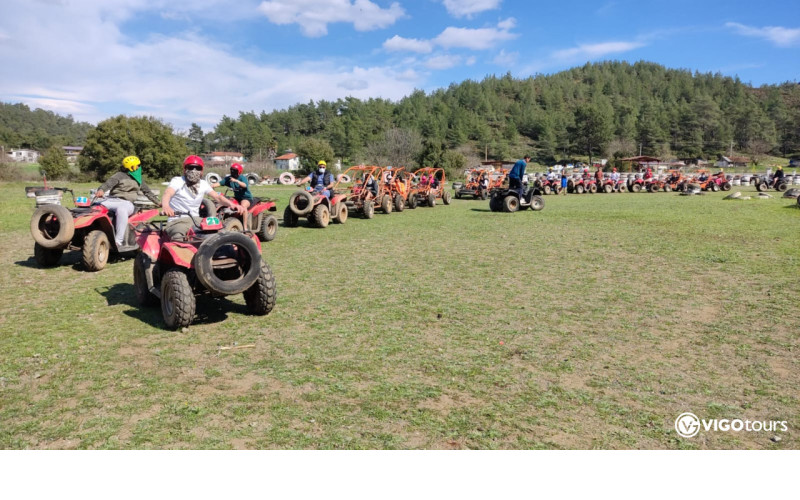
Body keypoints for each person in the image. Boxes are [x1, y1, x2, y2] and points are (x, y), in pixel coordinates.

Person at [161, 155, 244, 241]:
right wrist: (166, 206)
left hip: (196, 220)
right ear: (185, 169)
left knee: (219, 234)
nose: (194, 171)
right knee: (178, 238)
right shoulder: (177, 181)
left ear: (202, 171)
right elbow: (168, 193)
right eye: (191, 167)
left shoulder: (203, 184)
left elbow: (217, 197)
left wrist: (233, 205)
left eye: (198, 168)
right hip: (177, 221)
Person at [94, 155, 160, 249]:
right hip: (112, 200)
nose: (139, 167)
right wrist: (101, 190)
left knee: (121, 210)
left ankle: (118, 241)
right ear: (132, 167)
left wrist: (158, 202)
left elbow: (148, 192)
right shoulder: (119, 175)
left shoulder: (139, 179)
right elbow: (107, 184)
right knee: (95, 206)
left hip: (127, 203)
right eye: (137, 165)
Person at [211, 162, 253, 230]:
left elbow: (245, 185)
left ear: (239, 172)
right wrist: (212, 186)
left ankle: (245, 227)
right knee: (225, 203)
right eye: (232, 170)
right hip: (237, 197)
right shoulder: (229, 178)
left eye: (235, 170)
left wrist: (236, 181)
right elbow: (220, 183)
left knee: (243, 207)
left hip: (246, 197)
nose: (233, 172)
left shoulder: (242, 178)